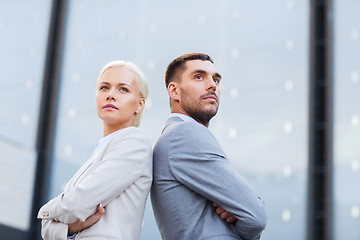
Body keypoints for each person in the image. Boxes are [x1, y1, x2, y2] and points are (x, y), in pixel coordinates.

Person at [151, 53, 267, 240]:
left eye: (216, 79)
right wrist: (238, 218)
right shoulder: (185, 133)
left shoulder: (173, 137)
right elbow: (256, 217)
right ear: (174, 91)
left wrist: (236, 210)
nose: (212, 85)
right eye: (199, 77)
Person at [37, 60, 153, 240]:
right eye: (104, 88)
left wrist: (46, 210)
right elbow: (46, 231)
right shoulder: (100, 151)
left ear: (140, 104)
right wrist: (71, 226)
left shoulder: (135, 142)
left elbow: (78, 204)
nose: (111, 95)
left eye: (123, 89)